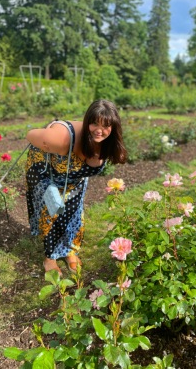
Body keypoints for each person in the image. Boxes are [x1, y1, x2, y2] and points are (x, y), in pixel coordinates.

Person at [25, 99, 127, 276]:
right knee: (50, 211)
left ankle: (69, 250)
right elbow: (30, 135)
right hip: (44, 169)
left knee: (73, 210)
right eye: (94, 123)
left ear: (114, 127)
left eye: (106, 125)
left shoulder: (107, 143)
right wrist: (47, 134)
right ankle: (50, 257)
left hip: (73, 176)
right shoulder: (61, 139)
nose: (99, 130)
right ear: (88, 121)